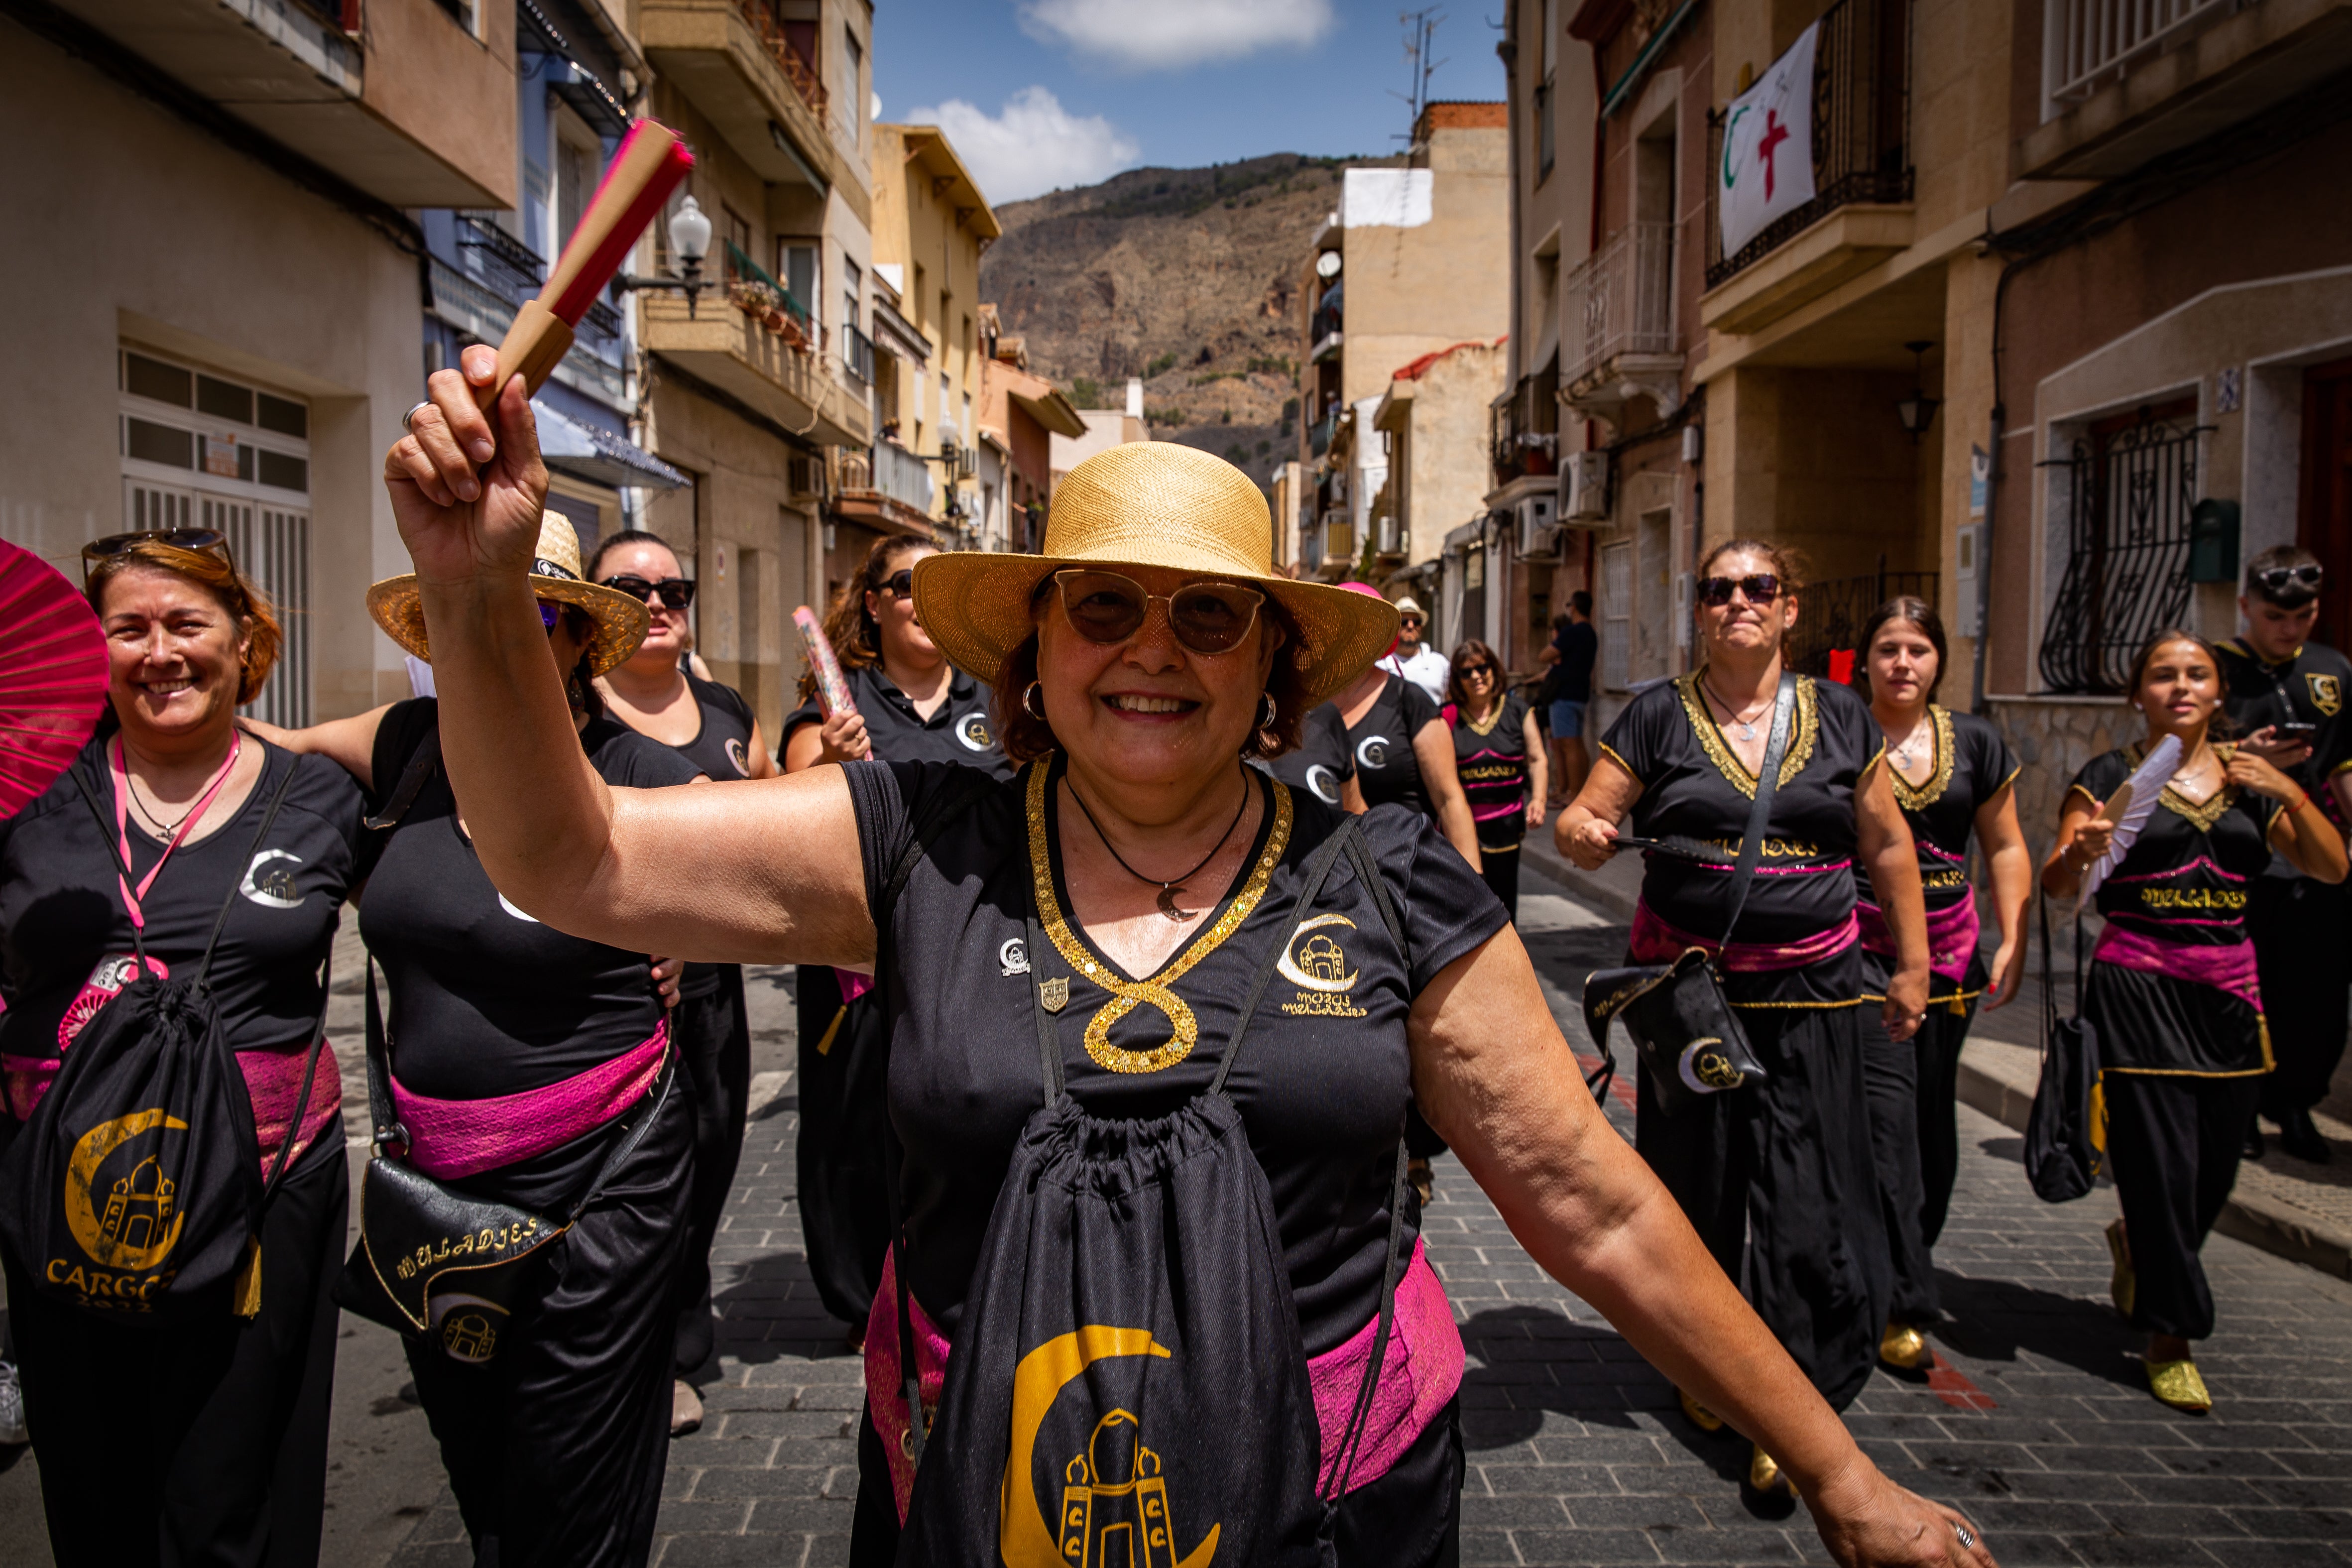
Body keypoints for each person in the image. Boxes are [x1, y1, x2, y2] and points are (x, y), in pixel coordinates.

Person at [382, 349, 2001, 1568]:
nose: (1151, 647)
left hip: (1334, 1501)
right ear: (1037, 642)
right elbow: (566, 853)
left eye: (1209, 617)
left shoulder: (1387, 882)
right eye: (1105, 606)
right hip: (978, 1493)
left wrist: (1841, 1472)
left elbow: (1593, 1203)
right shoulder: (912, 838)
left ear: (1279, 661)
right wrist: (471, 589)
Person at [250, 512, 704, 1564]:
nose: (500, 635)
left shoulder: (642, 771)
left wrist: (686, 934)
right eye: (470, 612)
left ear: (578, 639)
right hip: (434, 1192)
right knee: (484, 1477)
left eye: (533, 612)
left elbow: (761, 863)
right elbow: (244, 760)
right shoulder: (404, 748)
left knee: (571, 1488)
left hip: (604, 1184)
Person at [0, 530, 364, 1566]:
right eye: (129, 627)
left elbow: (449, 912)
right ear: (94, 646)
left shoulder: (321, 792)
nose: (160, 651)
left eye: (188, 623)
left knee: (224, 1493)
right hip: (61, 1187)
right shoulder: (27, 792)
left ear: (246, 640)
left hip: (260, 1190)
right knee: (93, 1492)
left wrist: (635, 962)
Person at [1555, 538, 1930, 1496]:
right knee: (1697, 1190)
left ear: (1789, 607)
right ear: (1699, 608)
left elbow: (1886, 842)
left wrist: (1914, 964)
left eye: (1756, 587)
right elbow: (1583, 815)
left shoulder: (1840, 713)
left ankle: (1791, 1393)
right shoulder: (1654, 716)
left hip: (1813, 991)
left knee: (1807, 1196)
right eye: (1716, 589)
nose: (1736, 602)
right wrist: (1584, 833)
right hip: (1693, 1001)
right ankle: (1705, 1363)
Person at [2042, 628, 2344, 1413]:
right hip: (2138, 985)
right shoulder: (2110, 776)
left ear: (2218, 694)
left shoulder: (2251, 781)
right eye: (2163, 675)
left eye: (2196, 674)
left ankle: (2143, 1246)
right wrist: (2083, 852)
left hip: (2231, 994)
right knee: (2161, 1164)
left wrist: (2291, 792)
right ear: (2138, 695)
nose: (2180, 686)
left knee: (2212, 1172)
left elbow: (2332, 865)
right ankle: (2172, 1336)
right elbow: (2059, 881)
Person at [781, 532, 1013, 1337]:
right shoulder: (838, 708)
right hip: (858, 967)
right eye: (909, 584)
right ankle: (861, 1296)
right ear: (873, 605)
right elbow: (783, 817)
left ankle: (962, 1280)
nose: (925, 600)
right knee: (854, 1133)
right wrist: (829, 766)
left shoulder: (999, 702)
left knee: (965, 1121)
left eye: (942, 584)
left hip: (977, 955)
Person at [589, 528, 774, 1436]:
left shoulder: (726, 708)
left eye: (673, 587)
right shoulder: (572, 718)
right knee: (640, 1184)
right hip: (619, 997)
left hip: (715, 993)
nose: (656, 602)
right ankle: (651, 1357)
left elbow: (769, 814)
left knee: (707, 1168)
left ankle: (682, 1334)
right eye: (627, 588)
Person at [1849, 598, 2032, 1372]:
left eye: (1918, 649)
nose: (1902, 663)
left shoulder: (1977, 744)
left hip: (1952, 958)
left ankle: (1907, 1254)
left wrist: (2015, 935)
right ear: (1864, 661)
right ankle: (1894, 1294)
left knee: (1928, 1117)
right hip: (1855, 955)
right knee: (1880, 1123)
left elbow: (2007, 844)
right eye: (1888, 647)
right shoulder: (1839, 736)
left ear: (1937, 661)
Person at [2215, 547, 2352, 1164]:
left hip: (2314, 857)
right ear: (2245, 606)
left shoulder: (2332, 668)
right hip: (2240, 856)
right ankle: (2238, 1106)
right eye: (2274, 616)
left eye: (2301, 617)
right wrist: (2245, 756)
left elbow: (2343, 762)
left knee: (2317, 996)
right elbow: (2179, 759)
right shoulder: (2214, 669)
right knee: (2245, 989)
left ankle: (2294, 1103)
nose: (2288, 629)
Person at [1330, 584, 1481, 871]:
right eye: (1338, 621)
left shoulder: (1409, 700)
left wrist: (1473, 887)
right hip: (1326, 882)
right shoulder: (1305, 706)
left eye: (1361, 624)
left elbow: (1450, 800)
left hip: (1405, 874)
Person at [1445, 638, 1547, 920]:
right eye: (1467, 672)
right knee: (1467, 905)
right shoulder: (1449, 717)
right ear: (1458, 679)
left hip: (1506, 825)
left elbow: (1537, 758)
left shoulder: (1517, 711)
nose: (1477, 676)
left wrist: (1539, 799)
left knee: (1503, 904)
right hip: (1463, 829)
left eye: (1482, 668)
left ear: (1494, 669)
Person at [1539, 592, 1599, 806]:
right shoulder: (1591, 634)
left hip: (1564, 694)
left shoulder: (1572, 633)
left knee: (1568, 745)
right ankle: (1577, 790)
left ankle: (1573, 793)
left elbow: (1544, 655)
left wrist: (1557, 655)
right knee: (1577, 744)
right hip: (1581, 694)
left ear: (1573, 607)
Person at [1376, 594, 1448, 701]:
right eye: (1404, 621)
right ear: (1393, 626)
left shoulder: (1440, 663)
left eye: (1416, 622)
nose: (1411, 626)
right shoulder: (1380, 666)